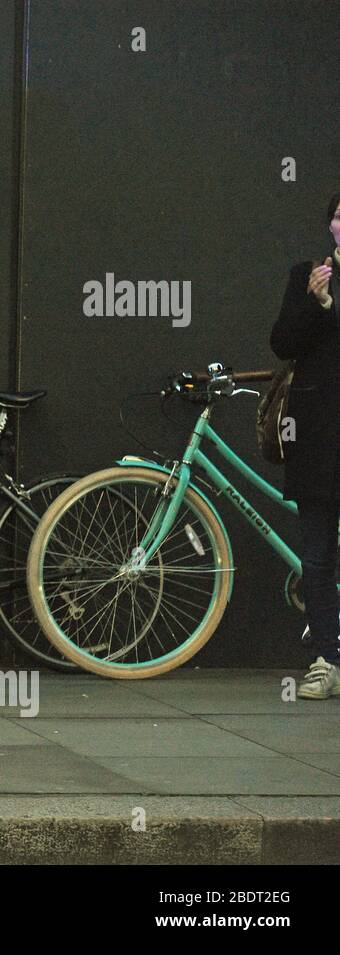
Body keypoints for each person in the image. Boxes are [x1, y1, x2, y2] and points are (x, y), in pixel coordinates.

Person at [270, 191, 340, 699]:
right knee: (316, 556)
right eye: (337, 215)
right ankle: (325, 659)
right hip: (317, 435)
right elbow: (283, 342)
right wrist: (317, 303)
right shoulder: (308, 275)